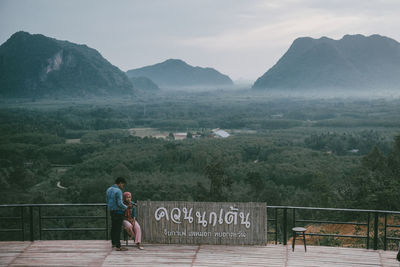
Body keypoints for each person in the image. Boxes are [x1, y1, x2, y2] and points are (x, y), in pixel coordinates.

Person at [106, 177, 129, 251]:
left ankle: (114, 243)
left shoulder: (108, 190)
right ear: (120, 183)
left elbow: (107, 201)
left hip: (111, 211)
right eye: (123, 184)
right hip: (118, 212)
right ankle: (118, 246)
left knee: (113, 228)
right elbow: (120, 203)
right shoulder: (118, 191)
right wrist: (127, 207)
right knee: (118, 229)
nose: (123, 186)